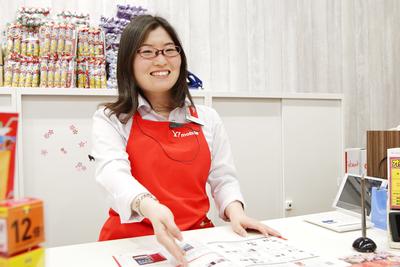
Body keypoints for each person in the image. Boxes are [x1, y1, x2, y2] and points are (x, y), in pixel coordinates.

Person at [92, 14, 280, 266]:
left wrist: (237, 212)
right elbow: (113, 173)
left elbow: (223, 178)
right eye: (147, 52)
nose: (161, 59)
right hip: (131, 242)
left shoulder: (206, 117)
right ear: (128, 62)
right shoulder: (111, 118)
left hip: (197, 240)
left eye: (169, 50)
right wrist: (150, 206)